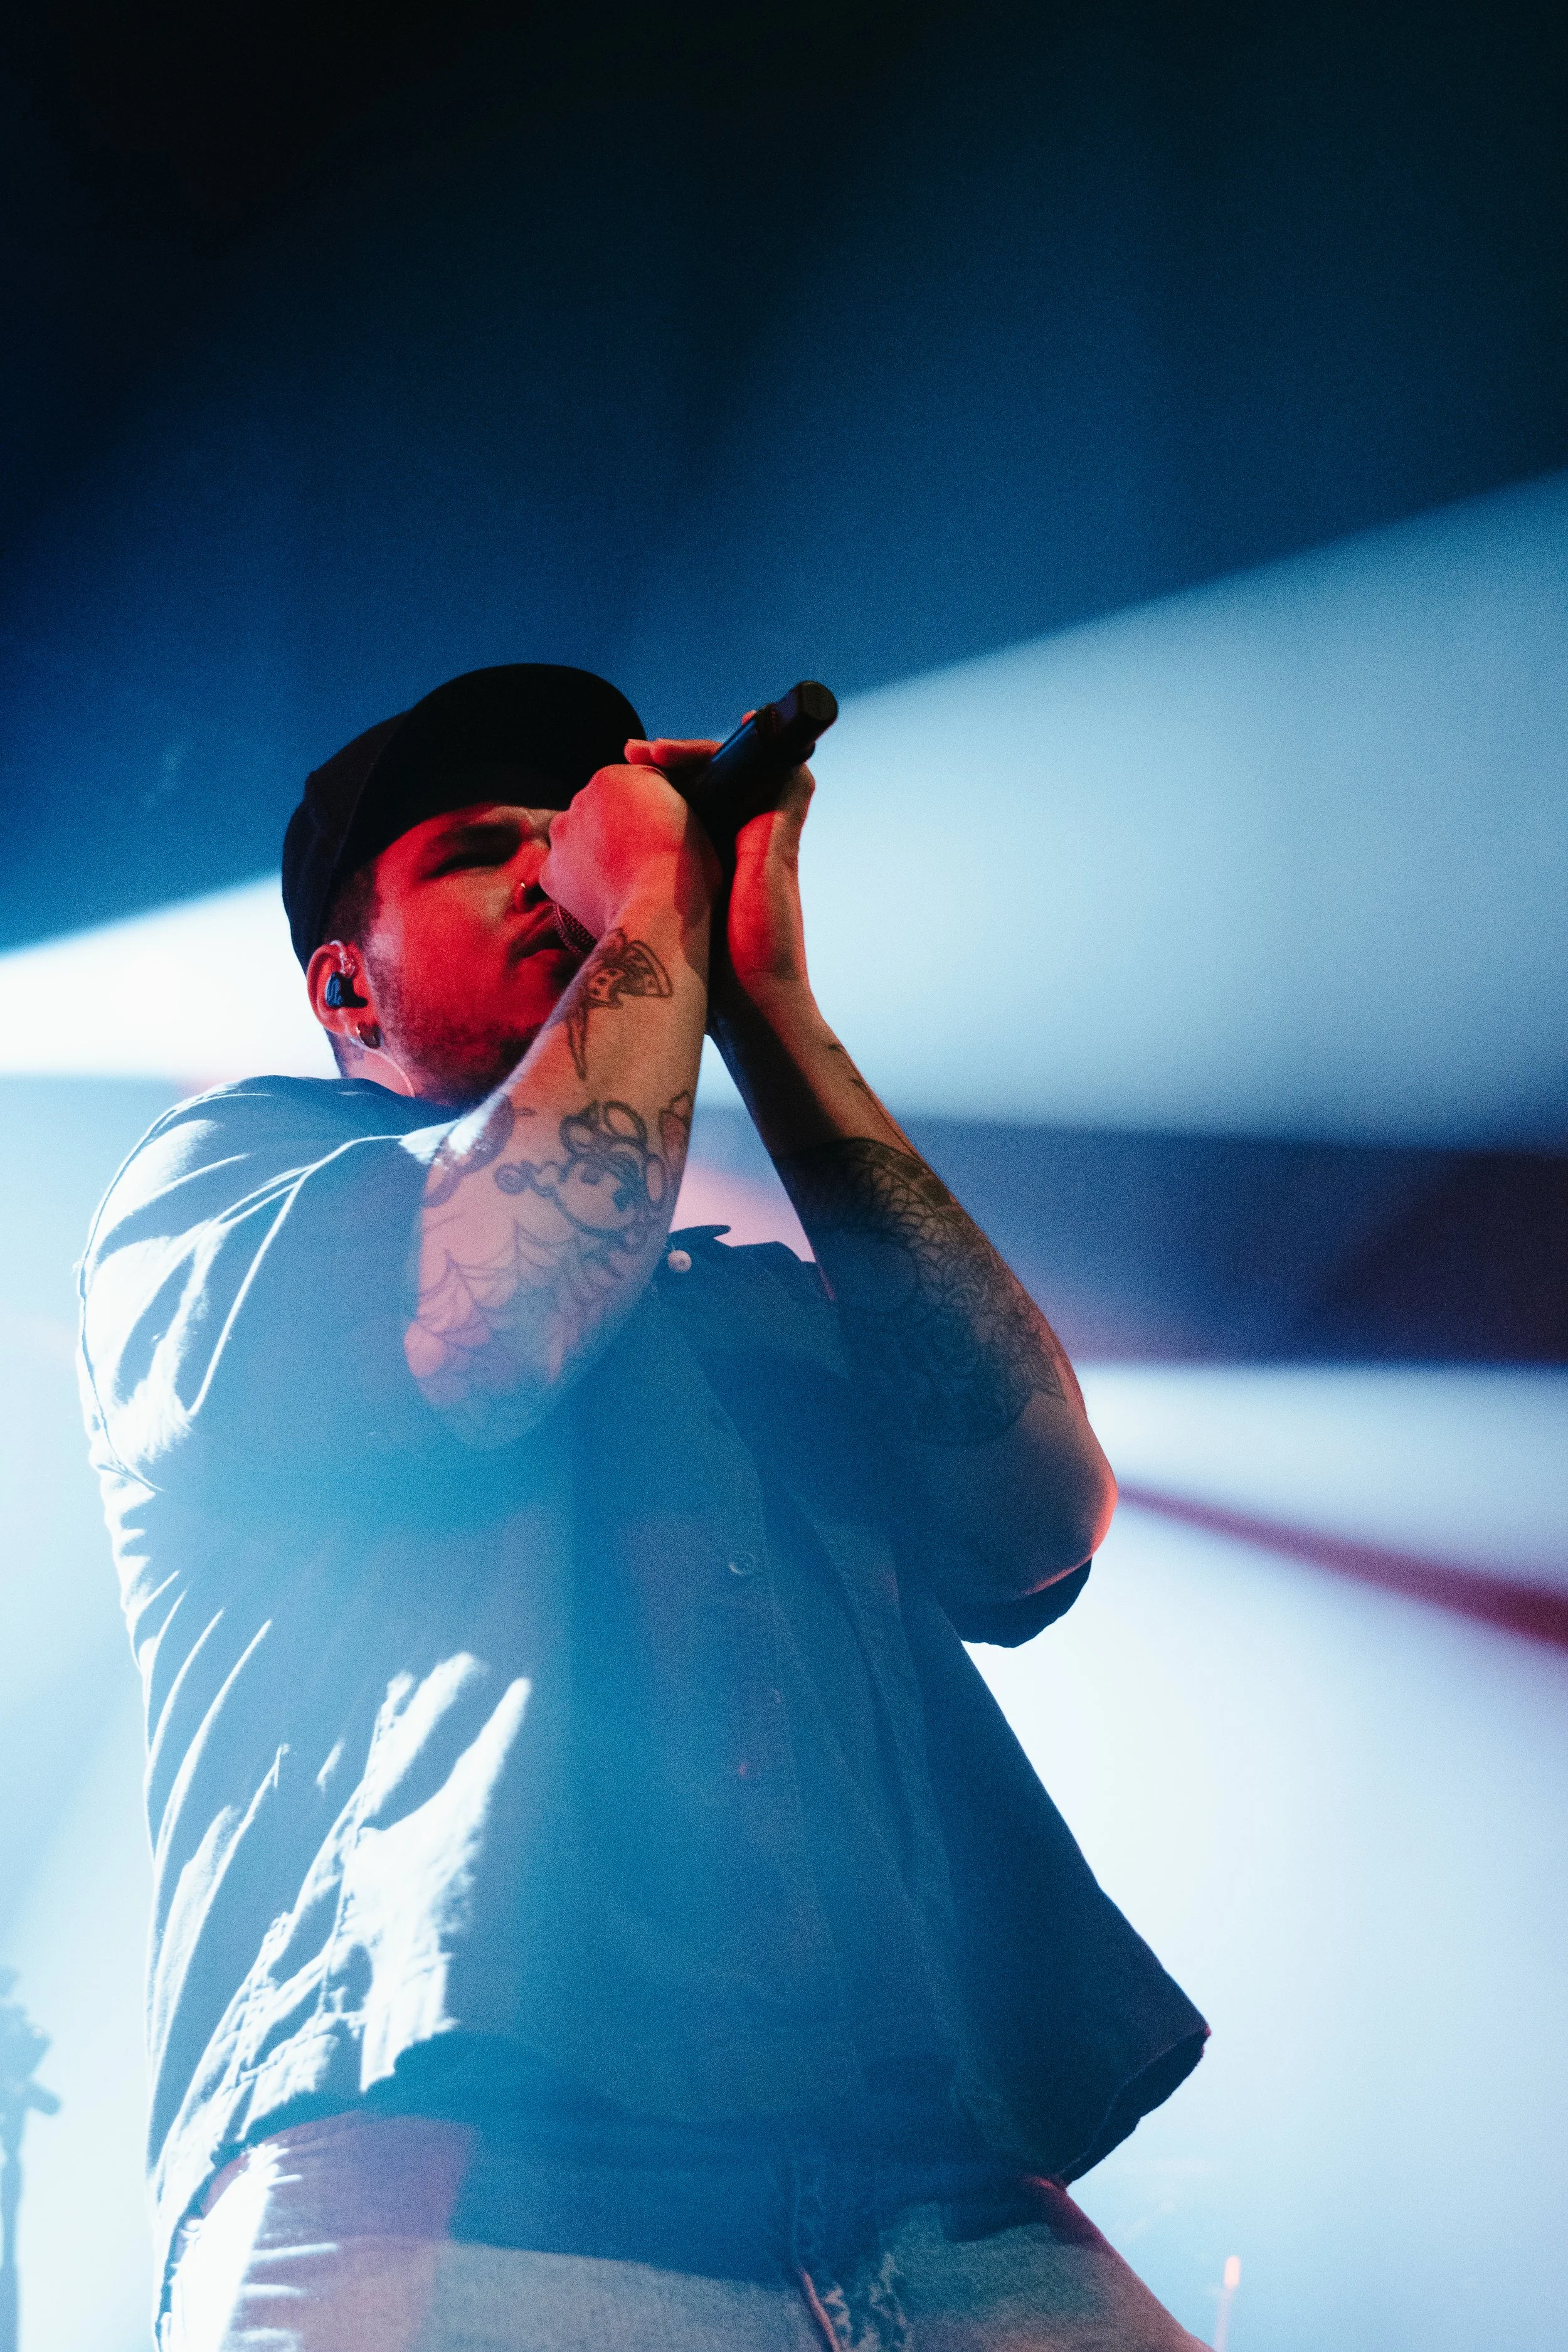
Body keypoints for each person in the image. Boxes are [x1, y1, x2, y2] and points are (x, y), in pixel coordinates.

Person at [78, 664, 1209, 2351]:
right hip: (461, 2172)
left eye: (582, 833)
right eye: (483, 849)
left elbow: (1037, 1507)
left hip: (944, 2194)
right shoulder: (228, 1187)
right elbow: (491, 1312)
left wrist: (770, 1007)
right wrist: (652, 906)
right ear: (344, 981)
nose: (562, 869)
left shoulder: (743, 1302)